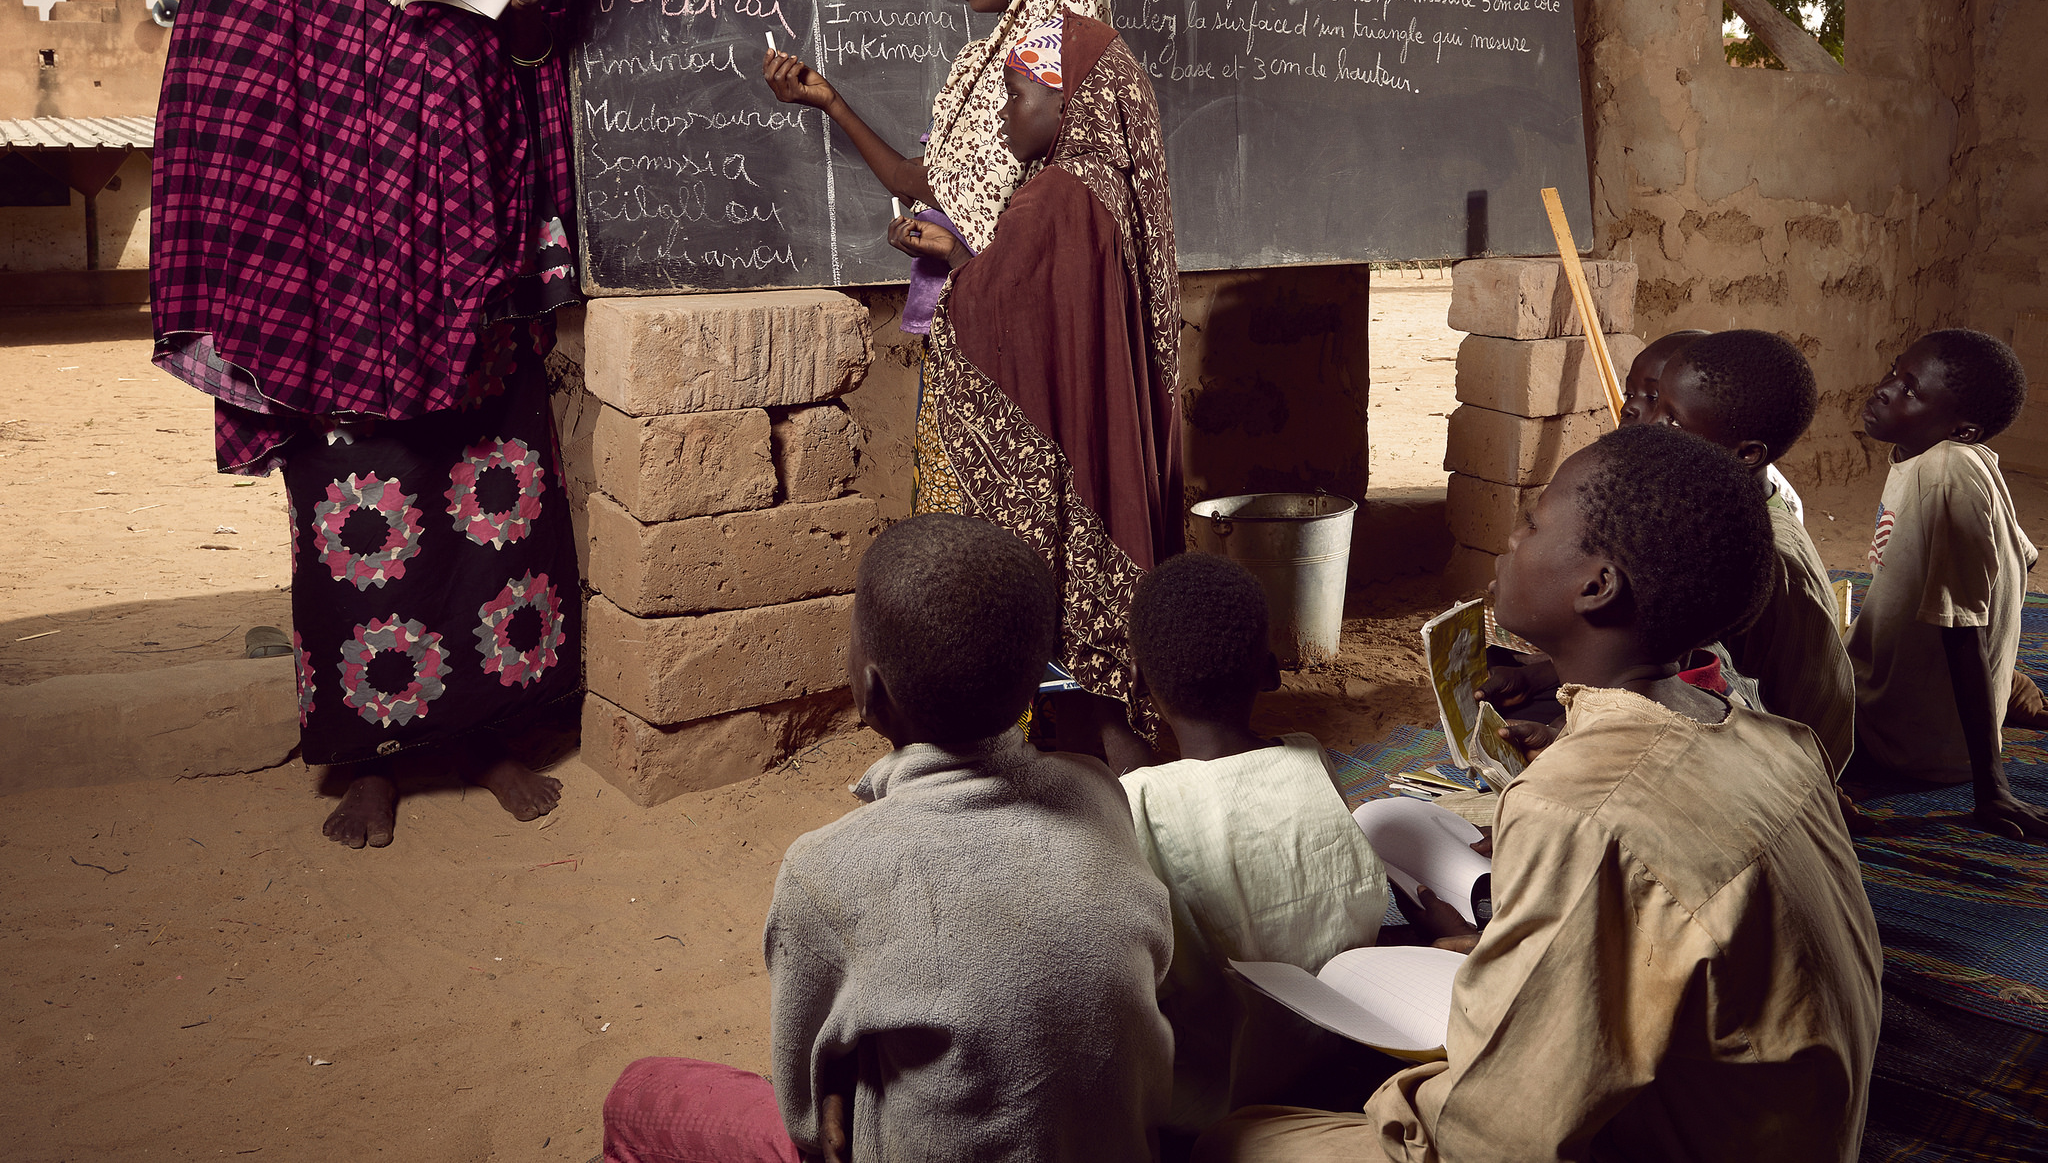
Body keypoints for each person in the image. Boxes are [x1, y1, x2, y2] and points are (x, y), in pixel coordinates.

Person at [150, 0, 581, 849]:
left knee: (494, 508)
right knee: (361, 519)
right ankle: (372, 755)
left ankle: (496, 731)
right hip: (332, 274)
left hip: (464, 261)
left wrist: (534, 5)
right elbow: (224, 85)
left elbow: (524, 67)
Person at [1198, 425, 1884, 1163]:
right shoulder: (1772, 736)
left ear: (1596, 585)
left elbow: (1495, 1134)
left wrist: (1395, 1097)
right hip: (1785, 1120)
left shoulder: (1579, 812)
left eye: (1531, 523)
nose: (1509, 538)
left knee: (1240, 1138)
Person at [600, 514, 1175, 1163]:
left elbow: (810, 1120)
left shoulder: (825, 871)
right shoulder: (1098, 793)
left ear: (871, 691)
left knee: (638, 1095)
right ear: (1032, 682)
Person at [901, 5, 1181, 772]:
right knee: (1105, 679)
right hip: (1105, 452)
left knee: (1088, 677)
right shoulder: (1108, 187)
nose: (1001, 115)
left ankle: (1132, 817)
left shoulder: (1054, 196)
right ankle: (1141, 803)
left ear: (1068, 103)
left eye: (1015, 95)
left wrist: (955, 260)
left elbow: (995, 312)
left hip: (1075, 466)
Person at [762, 0, 1111, 337]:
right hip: (970, 307)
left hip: (1016, 327)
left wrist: (940, 223)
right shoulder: (991, 60)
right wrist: (830, 102)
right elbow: (926, 181)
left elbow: (955, 188)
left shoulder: (1048, 62)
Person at [1120, 553, 1393, 1140]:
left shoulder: (1136, 800)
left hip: (1215, 1103)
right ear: (1269, 672)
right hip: (1334, 1048)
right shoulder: (1310, 759)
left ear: (1139, 681)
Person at [1848, 329, 2046, 837]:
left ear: (1962, 429)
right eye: (1894, 371)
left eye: (1911, 389)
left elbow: (1963, 636)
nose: (1885, 388)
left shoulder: (1945, 475)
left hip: (1905, 743)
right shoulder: (1960, 458)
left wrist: (1992, 789)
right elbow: (2021, 559)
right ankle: (2008, 694)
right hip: (1920, 717)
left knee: (1751, 681)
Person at [1650, 330, 1855, 774]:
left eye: (1673, 420)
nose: (1652, 427)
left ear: (1746, 454)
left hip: (1789, 754)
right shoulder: (1735, 510)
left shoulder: (1754, 552)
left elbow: (1679, 668)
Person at [1623, 327, 1805, 519]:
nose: (1628, 408)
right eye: (1629, 394)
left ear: (1748, 454)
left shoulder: (1761, 536)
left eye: (1654, 397)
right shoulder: (1679, 486)